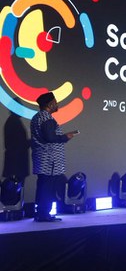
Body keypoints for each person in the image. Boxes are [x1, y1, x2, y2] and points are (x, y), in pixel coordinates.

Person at [30, 92, 76, 222]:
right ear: (50, 104)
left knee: (43, 186)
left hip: (42, 159)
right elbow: (50, 137)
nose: (57, 105)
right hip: (50, 161)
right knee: (47, 188)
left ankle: (41, 213)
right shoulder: (47, 118)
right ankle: (44, 214)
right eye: (55, 102)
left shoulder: (37, 117)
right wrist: (65, 137)